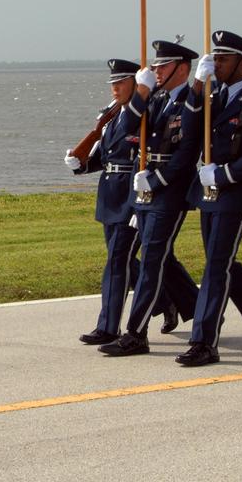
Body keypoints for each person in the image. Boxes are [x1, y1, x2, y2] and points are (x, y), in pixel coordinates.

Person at [175, 30, 242, 367]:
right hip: (208, 193)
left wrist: (222, 174)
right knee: (222, 260)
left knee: (216, 265)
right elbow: (188, 130)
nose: (217, 64)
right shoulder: (210, 94)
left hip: (236, 192)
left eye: (224, 59)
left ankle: (204, 341)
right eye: (214, 58)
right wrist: (196, 86)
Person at [100, 39, 201, 356]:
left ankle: (136, 333)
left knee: (153, 262)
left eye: (163, 66)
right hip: (142, 190)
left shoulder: (192, 100)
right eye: (154, 66)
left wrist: (155, 179)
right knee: (148, 262)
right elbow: (128, 127)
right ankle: (192, 314)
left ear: (181, 69)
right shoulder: (154, 98)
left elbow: (186, 153)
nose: (156, 70)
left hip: (169, 191)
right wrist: (141, 92)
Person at [67, 58, 147, 345]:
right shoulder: (112, 115)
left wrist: (141, 201)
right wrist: (80, 165)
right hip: (110, 196)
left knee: (117, 261)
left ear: (136, 85)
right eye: (112, 83)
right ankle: (174, 300)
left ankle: (108, 327)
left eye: (121, 82)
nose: (114, 88)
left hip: (131, 195)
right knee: (130, 261)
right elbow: (104, 157)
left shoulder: (142, 115)